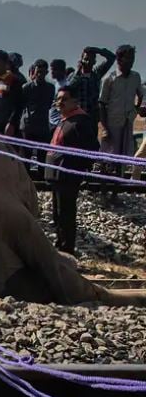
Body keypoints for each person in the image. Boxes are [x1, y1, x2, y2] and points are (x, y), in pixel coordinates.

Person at [45, 85, 98, 255]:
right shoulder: (64, 119)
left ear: (74, 101)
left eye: (64, 99)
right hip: (56, 175)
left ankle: (67, 249)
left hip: (67, 175)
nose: (60, 102)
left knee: (66, 214)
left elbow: (91, 148)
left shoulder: (81, 122)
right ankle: (60, 245)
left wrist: (78, 168)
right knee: (58, 214)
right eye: (58, 99)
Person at [99, 45, 144, 174]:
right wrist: (104, 128)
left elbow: (141, 94)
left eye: (132, 58)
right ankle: (104, 189)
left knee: (122, 159)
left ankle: (115, 190)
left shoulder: (135, 77)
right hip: (112, 124)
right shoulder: (109, 79)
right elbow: (101, 104)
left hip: (127, 123)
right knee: (107, 158)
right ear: (119, 59)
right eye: (128, 58)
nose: (131, 61)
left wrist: (135, 110)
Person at [20, 59, 55, 176]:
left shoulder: (50, 88)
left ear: (46, 73)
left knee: (42, 156)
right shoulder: (26, 87)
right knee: (26, 155)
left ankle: (41, 178)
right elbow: (21, 105)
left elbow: (49, 104)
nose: (40, 75)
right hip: (28, 125)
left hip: (42, 125)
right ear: (34, 72)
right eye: (38, 72)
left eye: (43, 72)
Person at [69, 47, 115, 136]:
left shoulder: (96, 73)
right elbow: (68, 88)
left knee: (92, 143)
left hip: (92, 118)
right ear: (81, 60)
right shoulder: (74, 76)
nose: (88, 62)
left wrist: (97, 50)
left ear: (94, 62)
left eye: (91, 59)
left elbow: (112, 57)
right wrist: (78, 72)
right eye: (86, 59)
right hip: (78, 117)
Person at [48, 59, 71, 131]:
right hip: (51, 121)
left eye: (54, 70)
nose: (52, 72)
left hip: (60, 123)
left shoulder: (66, 85)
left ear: (62, 71)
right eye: (51, 69)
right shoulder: (54, 84)